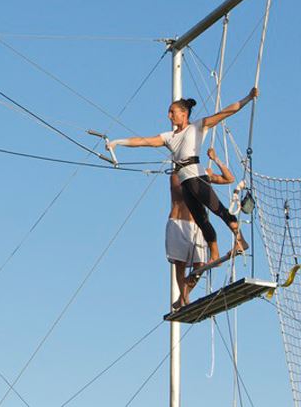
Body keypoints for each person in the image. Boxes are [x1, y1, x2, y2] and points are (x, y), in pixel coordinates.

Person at [107, 87, 258, 264]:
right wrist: (118, 142)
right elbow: (142, 141)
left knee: (218, 210)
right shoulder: (169, 136)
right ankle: (214, 253)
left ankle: (241, 240)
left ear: (184, 113)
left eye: (172, 112)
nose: (169, 116)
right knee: (201, 220)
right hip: (185, 181)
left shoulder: (197, 127)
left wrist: (248, 98)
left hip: (196, 176)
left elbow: (226, 112)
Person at [168, 147, 235, 309]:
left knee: (200, 264)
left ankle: (184, 294)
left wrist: (216, 159)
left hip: (197, 225)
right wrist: (202, 178)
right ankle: (184, 299)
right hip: (178, 223)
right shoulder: (175, 176)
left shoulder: (201, 174)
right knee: (180, 264)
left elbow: (229, 179)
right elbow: (181, 189)